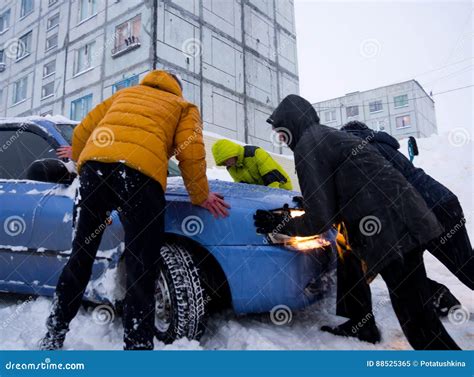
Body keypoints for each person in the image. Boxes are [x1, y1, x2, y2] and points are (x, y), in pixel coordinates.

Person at [40, 70, 230, 350]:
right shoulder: (182, 107)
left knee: (81, 256)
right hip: (140, 180)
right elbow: (191, 152)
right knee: (142, 266)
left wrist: (84, 161)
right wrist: (200, 195)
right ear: (177, 89)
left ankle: (53, 335)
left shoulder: (124, 95)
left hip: (95, 173)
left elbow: (81, 133)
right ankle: (137, 349)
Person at [254, 94, 460, 350]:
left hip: (393, 233)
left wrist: (282, 225)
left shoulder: (309, 145)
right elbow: (342, 191)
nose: (282, 140)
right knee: (414, 313)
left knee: (419, 325)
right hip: (401, 222)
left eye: (281, 133)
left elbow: (320, 219)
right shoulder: (325, 137)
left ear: (291, 123)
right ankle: (363, 326)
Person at [325, 120, 473, 342]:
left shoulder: (357, 152)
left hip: (414, 214)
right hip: (442, 203)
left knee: (399, 272)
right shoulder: (383, 146)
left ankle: (363, 323)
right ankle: (440, 299)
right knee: (466, 265)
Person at [212, 139, 293, 190]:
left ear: (233, 153)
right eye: (224, 162)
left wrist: (271, 197)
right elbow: (242, 187)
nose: (227, 163)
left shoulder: (256, 153)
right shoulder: (230, 167)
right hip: (263, 194)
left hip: (282, 189)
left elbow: (272, 178)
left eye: (227, 159)